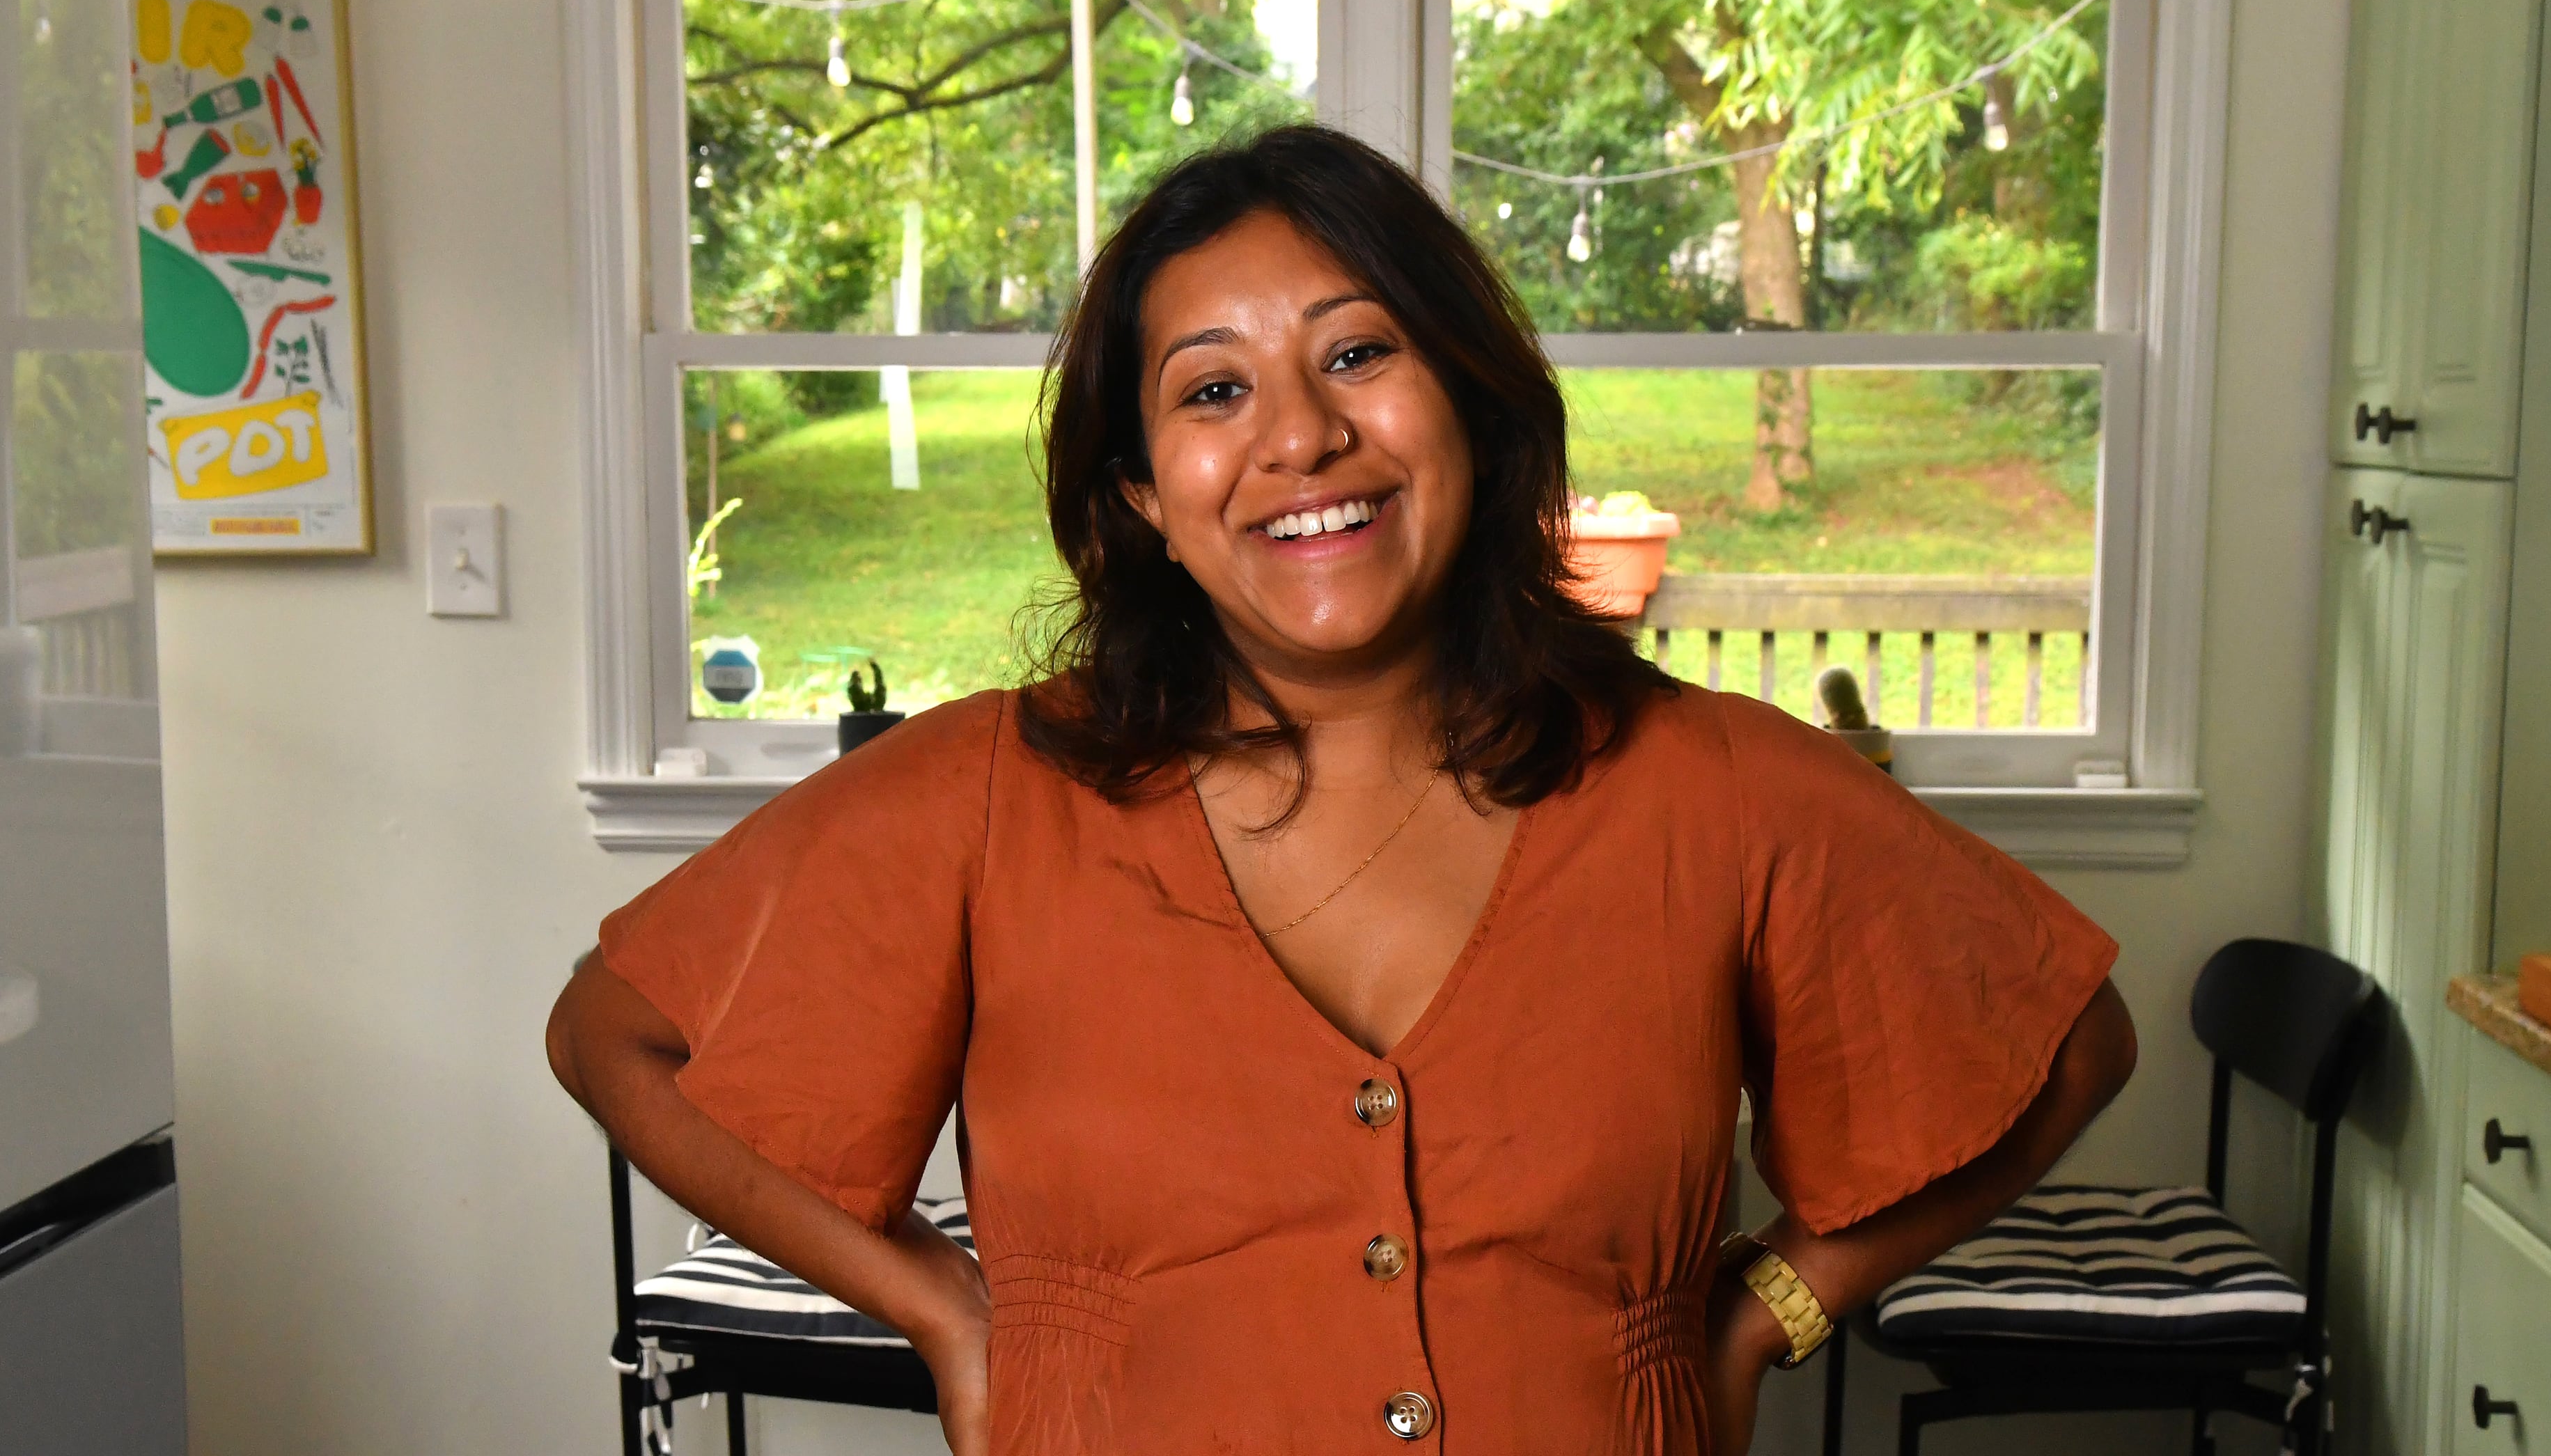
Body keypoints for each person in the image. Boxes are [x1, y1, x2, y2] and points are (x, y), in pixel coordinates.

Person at [546, 124, 2135, 1456]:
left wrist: (1765, 1306)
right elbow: (622, 1032)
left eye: (1360, 353)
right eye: (1213, 391)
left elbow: (2063, 1034)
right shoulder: (985, 794)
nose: (1301, 437)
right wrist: (948, 1318)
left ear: (1470, 405)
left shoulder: (1715, 785)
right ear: (1143, 496)